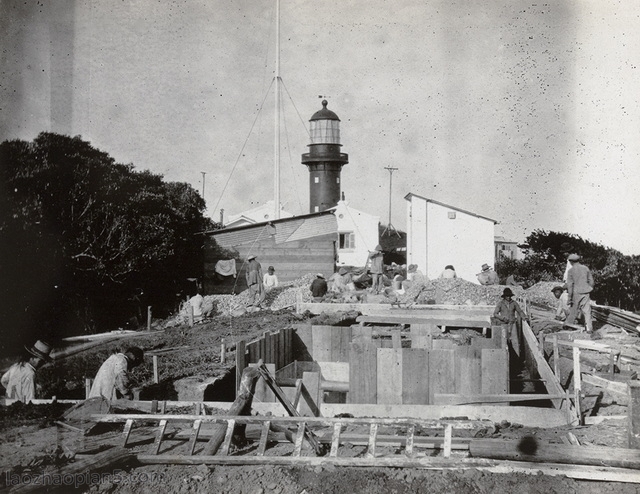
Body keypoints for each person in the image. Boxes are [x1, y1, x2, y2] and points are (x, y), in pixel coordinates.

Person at [493, 288, 527, 356]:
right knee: (504, 341)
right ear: (504, 296)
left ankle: (517, 359)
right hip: (504, 324)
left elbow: (519, 311)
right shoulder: (500, 304)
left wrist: (524, 317)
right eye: (507, 296)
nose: (508, 297)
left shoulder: (514, 303)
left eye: (509, 296)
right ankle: (505, 357)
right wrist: (502, 318)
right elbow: (495, 314)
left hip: (512, 324)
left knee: (515, 342)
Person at [566, 254, 594, 333]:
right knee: (587, 310)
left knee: (573, 310)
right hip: (586, 292)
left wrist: (569, 298)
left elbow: (570, 285)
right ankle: (589, 328)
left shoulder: (571, 271)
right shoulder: (585, 268)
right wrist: (590, 288)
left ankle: (569, 326)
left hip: (576, 293)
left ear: (571, 262)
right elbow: (591, 281)